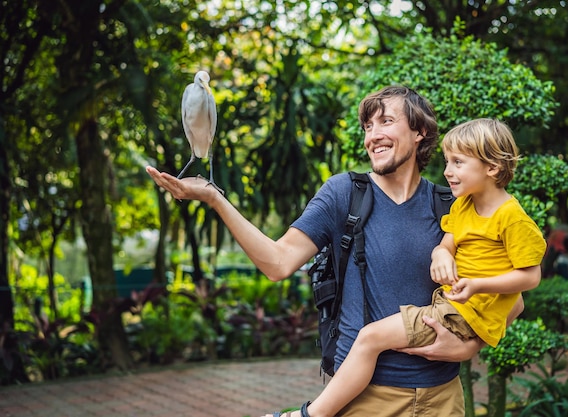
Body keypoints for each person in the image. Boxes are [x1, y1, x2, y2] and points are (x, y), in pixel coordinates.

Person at [147, 86, 523, 417]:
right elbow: (278, 263)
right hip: (363, 399)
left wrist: (468, 347)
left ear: (419, 131)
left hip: (443, 400)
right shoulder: (345, 194)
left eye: (386, 122)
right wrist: (216, 200)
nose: (373, 136)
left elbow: (512, 300)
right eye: (367, 127)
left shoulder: (451, 205)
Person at [263, 118, 546, 417]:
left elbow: (528, 281)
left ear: (492, 168)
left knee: (371, 337)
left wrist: (473, 322)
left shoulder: (511, 218)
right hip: (435, 323)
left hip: (454, 325)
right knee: (370, 339)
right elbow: (448, 243)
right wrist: (441, 254)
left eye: (458, 163)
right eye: (448, 162)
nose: (448, 171)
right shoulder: (463, 205)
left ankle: (309, 415)